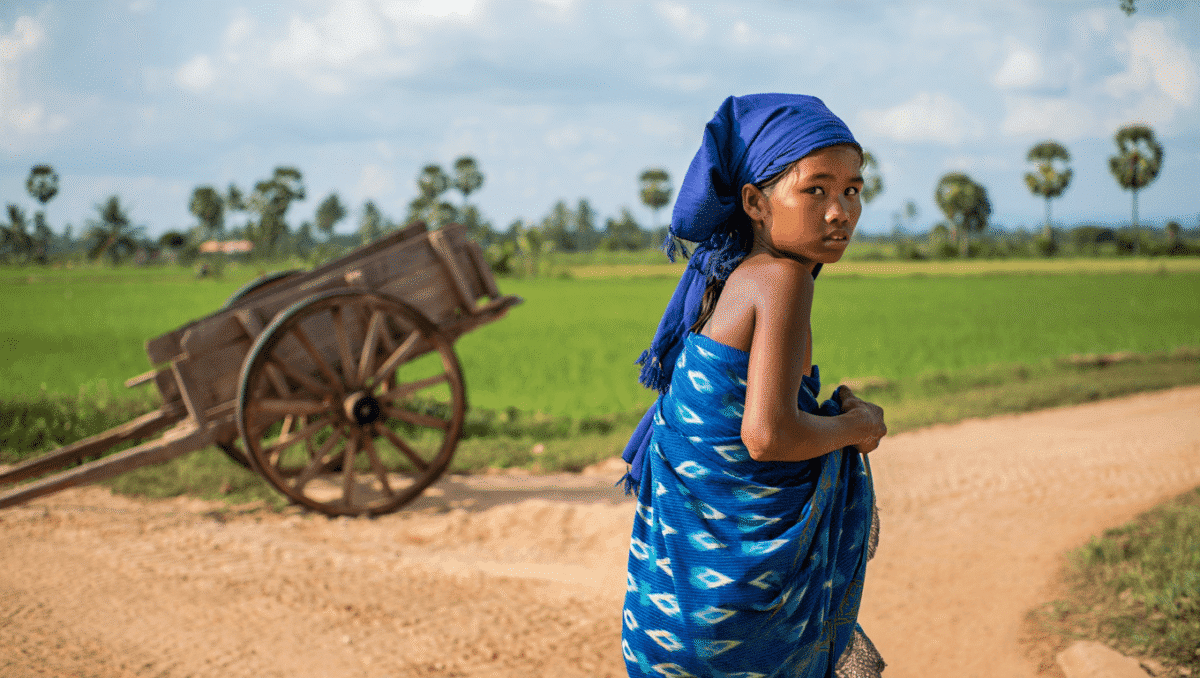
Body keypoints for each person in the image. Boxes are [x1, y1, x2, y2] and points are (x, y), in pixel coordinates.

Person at [619, 93, 888, 678]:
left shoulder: (736, 280)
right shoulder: (783, 282)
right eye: (815, 189)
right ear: (755, 202)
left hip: (673, 616)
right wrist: (855, 427)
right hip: (734, 634)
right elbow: (767, 437)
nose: (840, 210)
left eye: (853, 190)